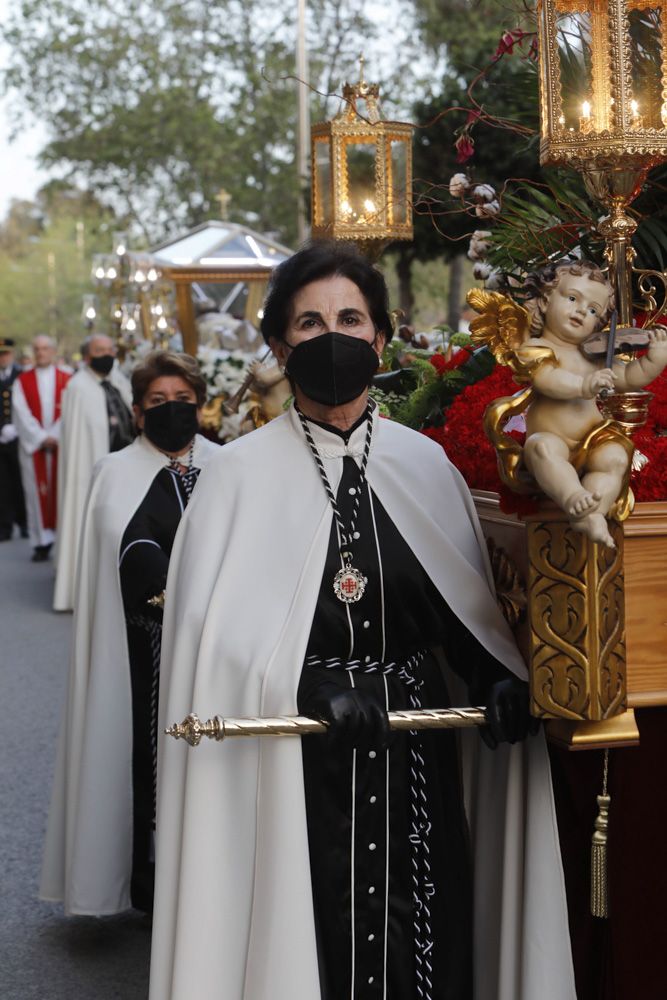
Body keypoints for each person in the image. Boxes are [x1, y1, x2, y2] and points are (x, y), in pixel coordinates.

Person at [149, 242, 575, 1000]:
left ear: (381, 337)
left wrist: (495, 680)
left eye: (350, 318)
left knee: (427, 942)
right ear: (279, 347)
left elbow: (460, 613)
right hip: (295, 764)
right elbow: (214, 648)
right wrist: (311, 688)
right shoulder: (236, 480)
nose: (333, 336)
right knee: (309, 945)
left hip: (416, 748)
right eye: (309, 323)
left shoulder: (425, 466)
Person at [40, 351, 219, 916]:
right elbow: (112, 554)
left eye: (184, 401)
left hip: (214, 651)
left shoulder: (229, 465)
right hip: (141, 650)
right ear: (139, 411)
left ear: (201, 403)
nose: (173, 411)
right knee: (145, 764)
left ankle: (209, 882)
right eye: (159, 403)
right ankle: (145, 885)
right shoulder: (114, 473)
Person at [471, 260, 667, 547]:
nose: (580, 311)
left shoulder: (594, 353)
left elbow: (627, 377)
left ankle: (594, 513)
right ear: (546, 299)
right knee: (540, 447)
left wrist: (654, 360)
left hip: (594, 435)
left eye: (592, 310)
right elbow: (548, 379)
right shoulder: (536, 348)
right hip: (554, 437)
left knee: (614, 458)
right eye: (573, 298)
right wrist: (585, 384)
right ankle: (574, 497)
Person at [53, 333, 134, 612]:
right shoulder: (78, 388)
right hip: (93, 467)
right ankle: (83, 588)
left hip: (125, 468)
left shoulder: (119, 380)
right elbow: (80, 440)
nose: (107, 354)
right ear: (87, 356)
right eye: (100, 350)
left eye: (110, 349)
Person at [12, 335, 71, 561]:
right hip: (34, 445)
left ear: (53, 351)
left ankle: (60, 538)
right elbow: (21, 413)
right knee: (34, 492)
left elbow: (69, 411)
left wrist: (55, 435)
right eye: (37, 349)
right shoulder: (22, 381)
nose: (41, 353)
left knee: (60, 488)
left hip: (58, 444)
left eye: (45, 348)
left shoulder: (67, 378)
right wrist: (40, 437)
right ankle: (40, 541)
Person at [0, 337, 27, 541]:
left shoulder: (21, 376)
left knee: (22, 481)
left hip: (19, 437)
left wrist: (17, 427)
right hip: (1, 438)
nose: (3, 358)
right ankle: (5, 526)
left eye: (6, 354)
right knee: (3, 484)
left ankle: (25, 522)